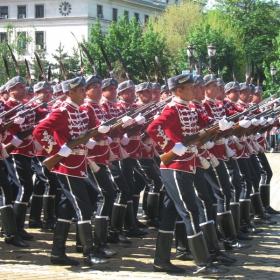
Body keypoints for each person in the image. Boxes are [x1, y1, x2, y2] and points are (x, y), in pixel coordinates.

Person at [147, 73, 229, 275]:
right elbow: (152, 128)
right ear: (178, 91)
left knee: (170, 212)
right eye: (191, 88)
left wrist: (220, 124)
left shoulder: (191, 107)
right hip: (175, 166)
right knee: (191, 211)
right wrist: (171, 146)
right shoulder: (172, 108)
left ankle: (161, 260)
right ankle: (204, 262)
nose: (194, 90)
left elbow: (204, 121)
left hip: (189, 165)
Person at [33, 76, 108, 266]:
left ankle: (57, 252)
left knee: (66, 209)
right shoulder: (62, 112)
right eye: (82, 91)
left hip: (79, 164)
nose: (85, 93)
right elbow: (39, 131)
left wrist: (103, 130)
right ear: (70, 93)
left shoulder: (81, 111)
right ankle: (88, 252)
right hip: (66, 166)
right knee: (83, 207)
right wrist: (56, 150)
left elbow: (88, 131)